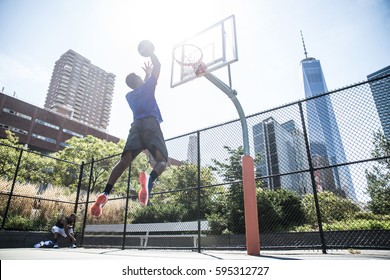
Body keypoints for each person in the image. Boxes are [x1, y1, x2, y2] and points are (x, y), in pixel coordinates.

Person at [90, 50, 168, 217]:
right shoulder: (147, 87)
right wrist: (151, 52)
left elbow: (144, 87)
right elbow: (159, 66)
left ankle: (106, 193)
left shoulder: (130, 96)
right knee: (162, 161)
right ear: (139, 80)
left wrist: (145, 75)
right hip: (151, 124)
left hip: (136, 127)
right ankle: (149, 182)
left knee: (124, 161)